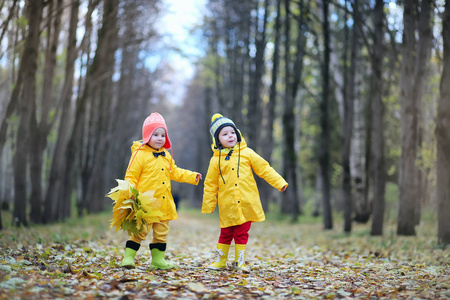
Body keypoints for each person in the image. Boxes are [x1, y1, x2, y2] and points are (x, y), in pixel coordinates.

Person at [202, 113, 288, 272]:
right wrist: (209, 205)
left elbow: (264, 169)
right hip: (227, 205)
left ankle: (239, 262)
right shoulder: (215, 160)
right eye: (225, 134)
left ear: (238, 133)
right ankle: (220, 261)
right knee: (226, 233)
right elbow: (210, 184)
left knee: (241, 233)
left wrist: (280, 182)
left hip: (247, 202)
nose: (230, 136)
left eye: (232, 132)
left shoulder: (248, 153)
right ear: (217, 139)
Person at [120, 112, 202, 270]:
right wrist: (129, 193)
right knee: (139, 231)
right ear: (146, 136)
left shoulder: (166, 156)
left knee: (161, 233)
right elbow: (131, 175)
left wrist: (192, 176)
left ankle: (158, 260)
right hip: (146, 203)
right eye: (155, 134)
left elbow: (176, 172)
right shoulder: (140, 155)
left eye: (162, 135)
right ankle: (128, 257)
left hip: (163, 204)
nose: (159, 138)